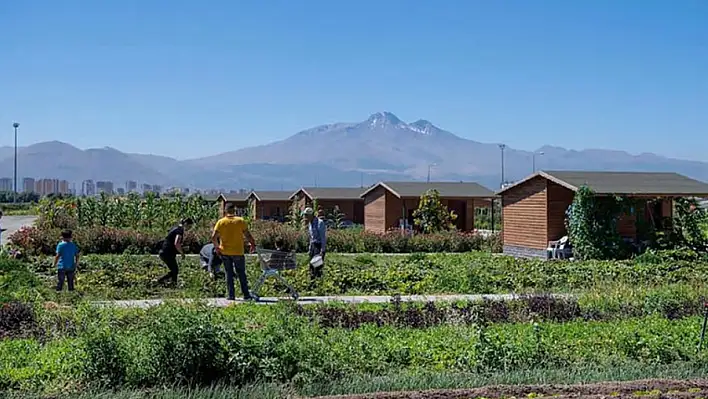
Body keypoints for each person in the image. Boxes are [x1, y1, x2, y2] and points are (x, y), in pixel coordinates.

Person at [212, 203, 257, 301]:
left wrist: (217, 247)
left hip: (225, 252)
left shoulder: (220, 222)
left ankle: (231, 295)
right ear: (234, 210)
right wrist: (253, 244)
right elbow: (247, 235)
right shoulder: (240, 221)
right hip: (238, 252)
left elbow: (213, 237)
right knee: (241, 273)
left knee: (228, 273)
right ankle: (246, 295)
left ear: (225, 211)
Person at [157, 218, 194, 286]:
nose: (189, 228)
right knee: (175, 270)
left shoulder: (175, 228)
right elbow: (176, 243)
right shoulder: (180, 230)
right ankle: (159, 281)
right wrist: (182, 253)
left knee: (174, 270)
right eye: (189, 226)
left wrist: (181, 248)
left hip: (164, 251)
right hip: (167, 253)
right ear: (185, 224)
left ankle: (173, 284)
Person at [303, 207, 326, 281]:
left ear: (311, 215)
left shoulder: (320, 223)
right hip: (313, 246)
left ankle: (318, 283)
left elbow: (323, 238)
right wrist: (310, 248)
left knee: (317, 265)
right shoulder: (310, 224)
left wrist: (322, 250)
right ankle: (312, 282)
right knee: (311, 266)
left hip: (319, 246)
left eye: (306, 215)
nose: (305, 217)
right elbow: (311, 237)